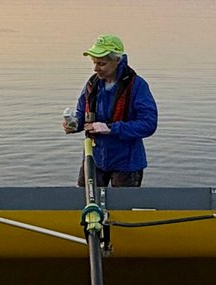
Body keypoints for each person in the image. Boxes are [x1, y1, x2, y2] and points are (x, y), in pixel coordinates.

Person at [62, 33, 158, 187]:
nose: (96, 68)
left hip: (127, 163)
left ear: (117, 60)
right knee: (83, 203)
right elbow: (82, 113)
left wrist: (111, 128)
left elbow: (148, 124)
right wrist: (74, 124)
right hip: (94, 158)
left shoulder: (137, 86)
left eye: (101, 64)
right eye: (94, 63)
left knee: (123, 208)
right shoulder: (92, 84)